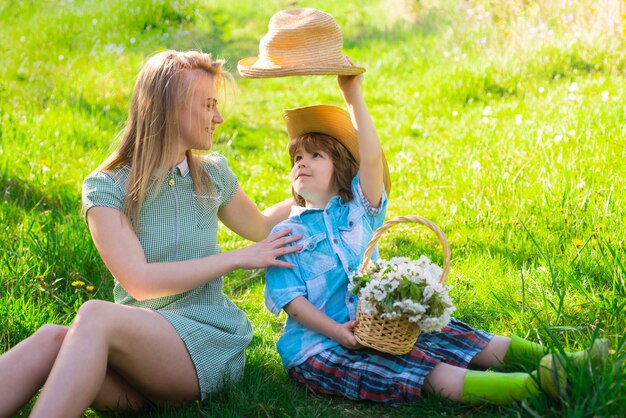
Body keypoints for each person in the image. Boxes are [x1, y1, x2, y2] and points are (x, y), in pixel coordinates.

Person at [264, 60, 609, 405]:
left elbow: (370, 161)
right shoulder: (287, 232)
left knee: (454, 335)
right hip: (318, 349)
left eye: (315, 155)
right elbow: (292, 302)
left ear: (340, 167)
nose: (301, 163)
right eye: (296, 159)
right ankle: (531, 389)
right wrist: (337, 331)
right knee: (416, 368)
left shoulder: (357, 211)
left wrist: (352, 95)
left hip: (382, 327)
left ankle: (563, 361)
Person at [0, 50, 302, 418]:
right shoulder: (107, 187)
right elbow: (140, 283)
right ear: (171, 109)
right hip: (134, 357)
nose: (218, 118)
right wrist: (235, 258)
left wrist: (319, 185)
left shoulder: (212, 174)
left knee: (95, 316)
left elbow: (262, 226)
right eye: (208, 106)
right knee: (51, 338)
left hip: (206, 342)